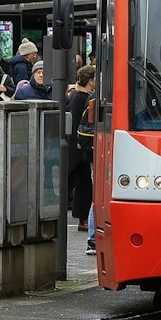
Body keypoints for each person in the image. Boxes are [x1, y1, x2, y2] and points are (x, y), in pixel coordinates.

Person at [65, 65, 98, 233]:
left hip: (77, 145)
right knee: (82, 183)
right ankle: (83, 218)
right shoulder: (82, 97)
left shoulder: (76, 95)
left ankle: (82, 218)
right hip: (79, 145)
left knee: (81, 182)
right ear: (91, 80)